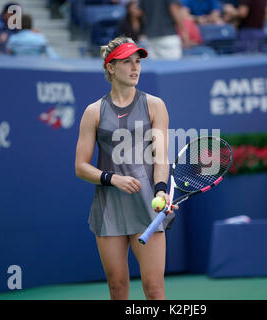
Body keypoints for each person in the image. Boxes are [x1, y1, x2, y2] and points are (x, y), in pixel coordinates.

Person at [75, 36, 178, 300]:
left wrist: (162, 190)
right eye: (127, 62)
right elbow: (81, 167)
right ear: (110, 67)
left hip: (148, 207)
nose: (135, 68)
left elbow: (160, 158)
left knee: (154, 290)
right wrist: (113, 179)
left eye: (138, 62)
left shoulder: (155, 105)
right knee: (117, 288)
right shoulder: (93, 112)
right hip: (109, 208)